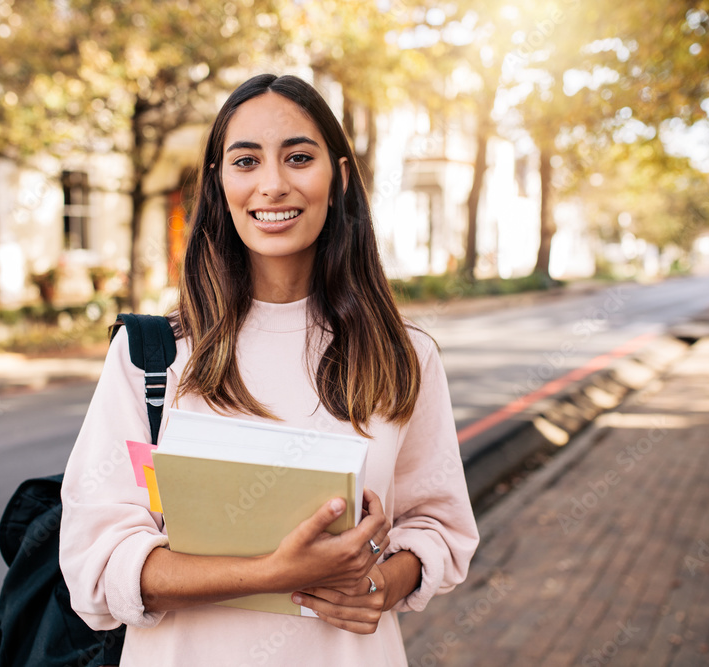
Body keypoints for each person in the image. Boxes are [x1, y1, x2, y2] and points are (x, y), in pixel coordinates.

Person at [60, 73, 479, 666]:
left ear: (336, 178)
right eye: (246, 161)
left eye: (299, 158)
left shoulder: (403, 356)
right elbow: (94, 566)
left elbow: (437, 527)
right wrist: (271, 571)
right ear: (219, 182)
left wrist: (385, 586)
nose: (273, 185)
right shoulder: (151, 356)